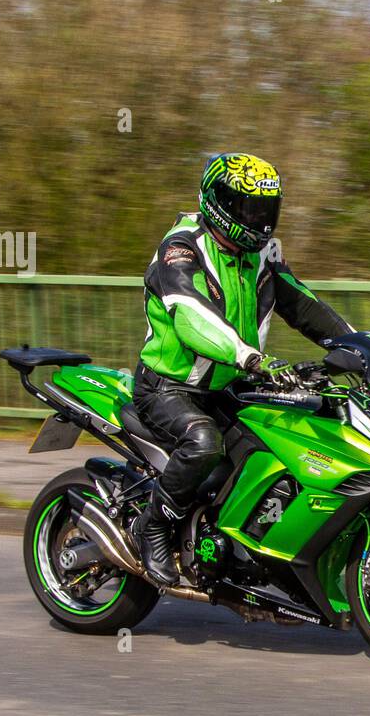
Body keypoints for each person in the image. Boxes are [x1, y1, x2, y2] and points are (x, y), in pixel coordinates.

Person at [131, 152, 353, 585]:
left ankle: (253, 547)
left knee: (292, 440)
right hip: (168, 388)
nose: (261, 219)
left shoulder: (261, 256)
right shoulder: (181, 246)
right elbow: (192, 316)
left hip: (230, 387)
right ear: (218, 204)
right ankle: (153, 525)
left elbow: (303, 305)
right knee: (204, 442)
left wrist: (359, 347)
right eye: (250, 208)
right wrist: (250, 357)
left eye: (267, 208)